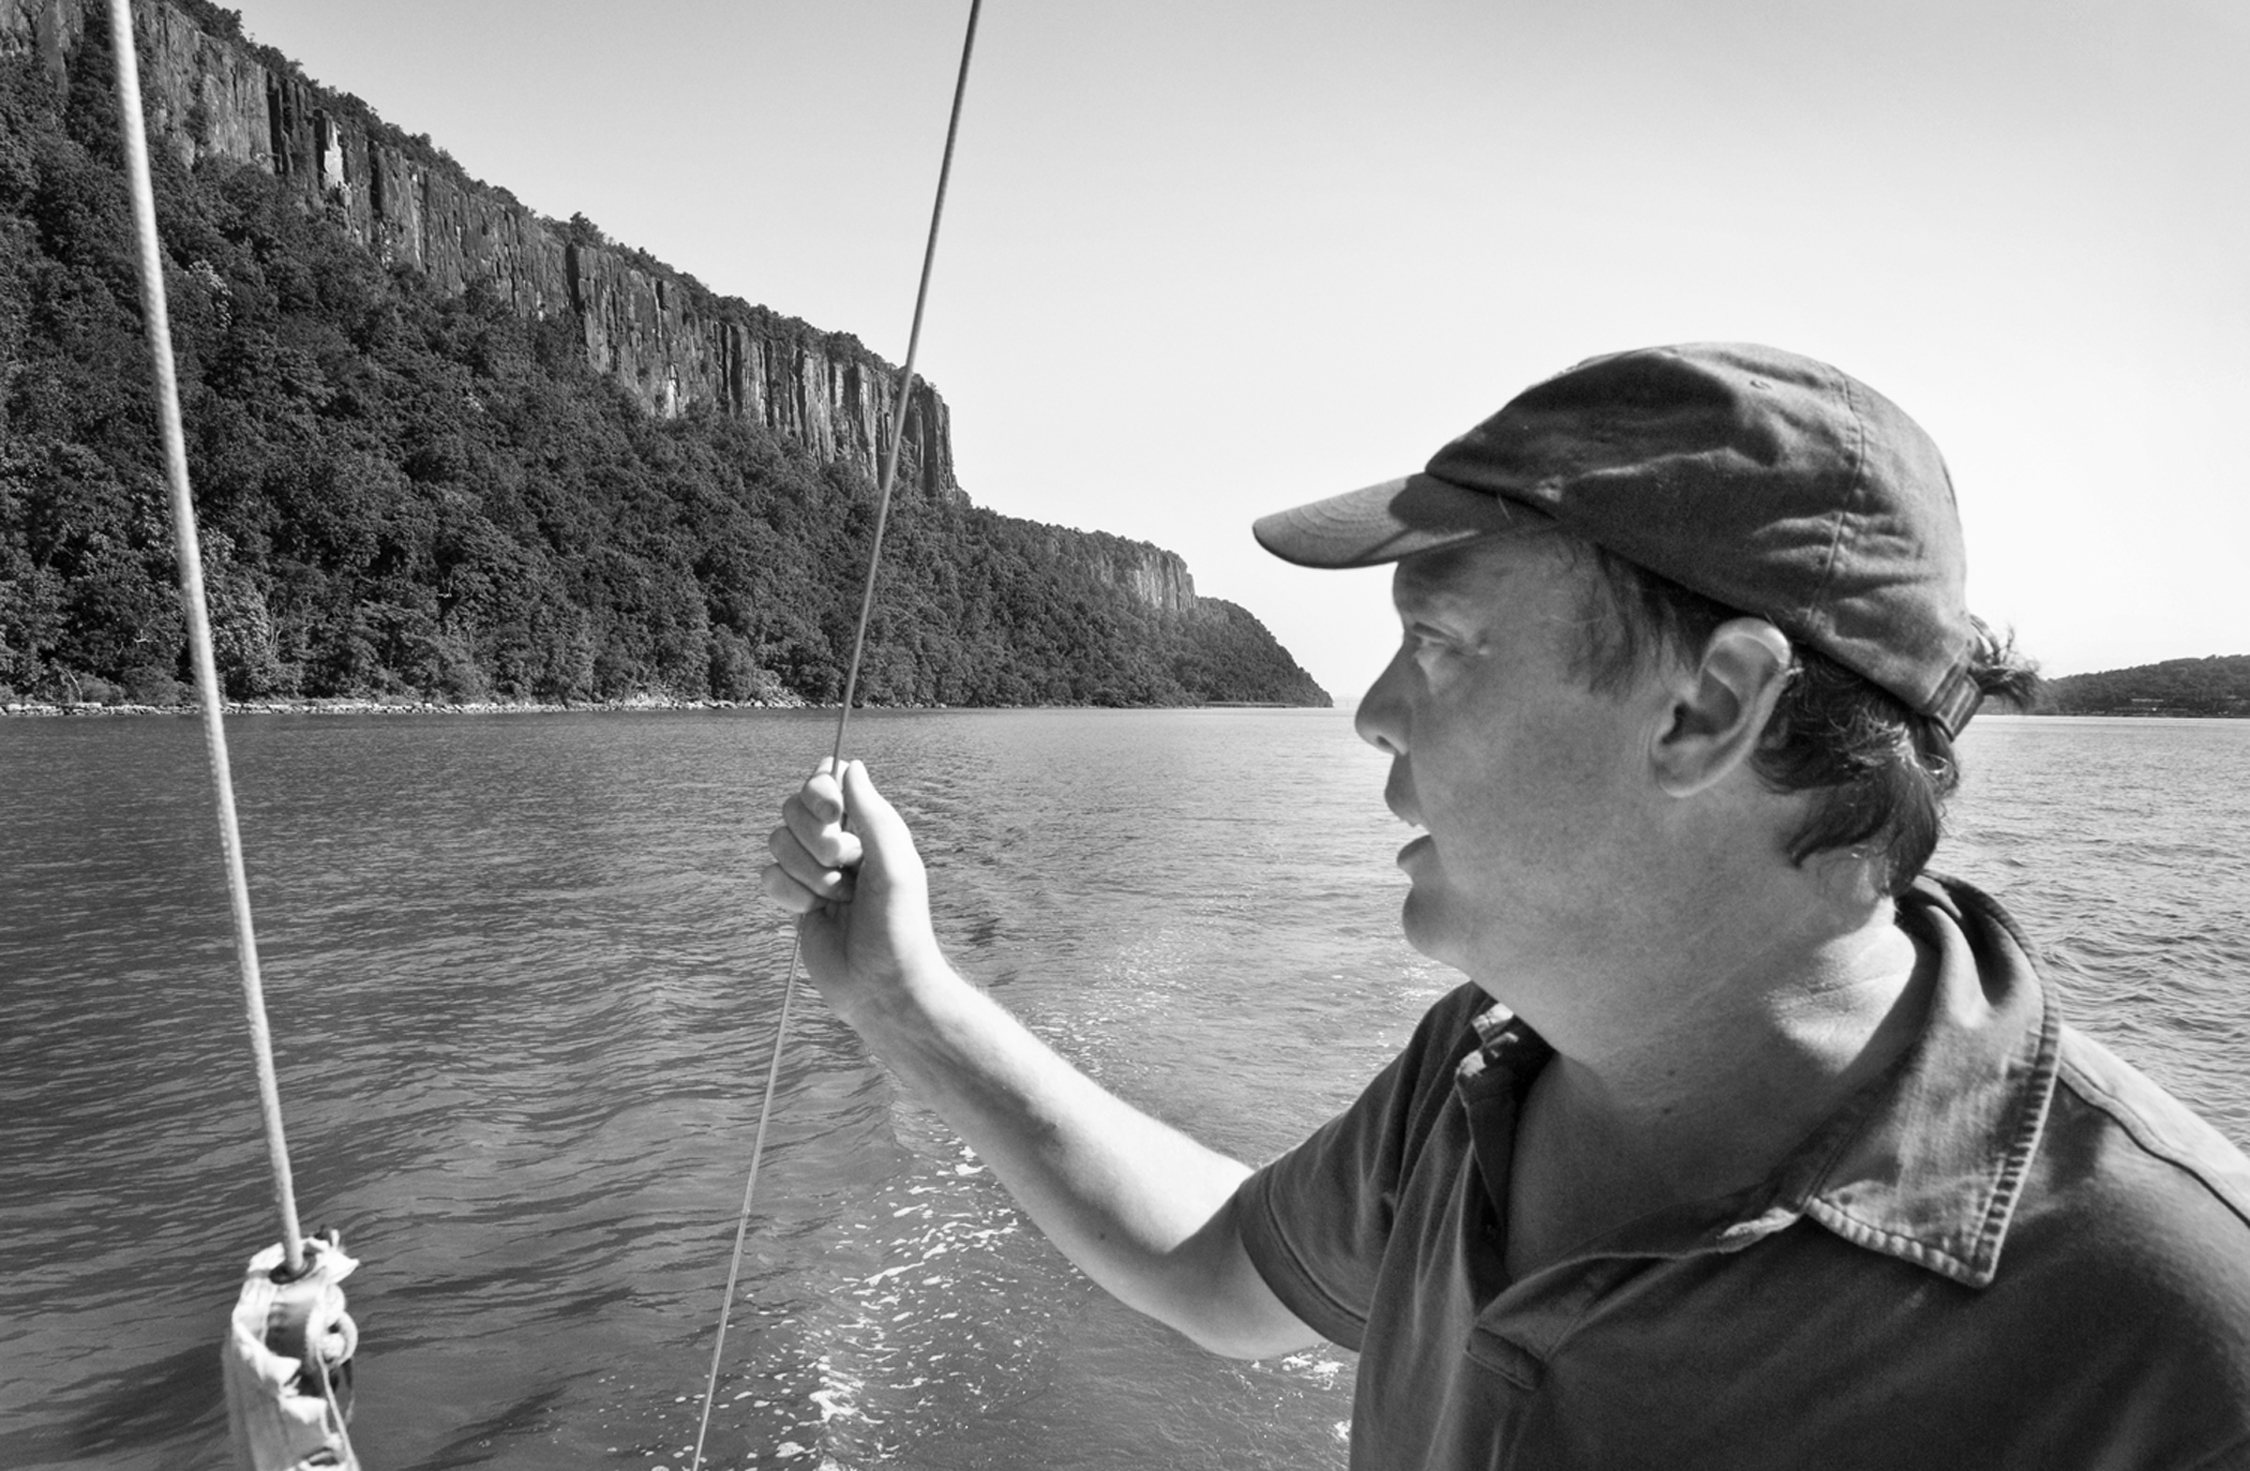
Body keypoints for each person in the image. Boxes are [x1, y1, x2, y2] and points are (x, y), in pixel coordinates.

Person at [762, 342, 2250, 1469]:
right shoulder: (1486, 1066)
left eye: (1442, 643)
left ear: (1708, 706)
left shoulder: (2177, 1332)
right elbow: (1219, 1266)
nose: (1371, 712)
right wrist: (904, 994)